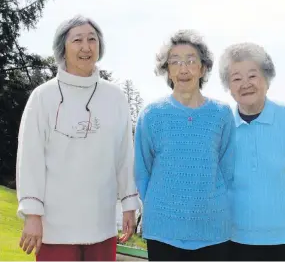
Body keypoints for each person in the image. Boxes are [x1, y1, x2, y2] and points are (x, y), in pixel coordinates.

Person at [16, 15, 141, 261]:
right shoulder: (42, 96)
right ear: (63, 47)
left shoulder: (115, 97)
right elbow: (30, 158)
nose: (86, 47)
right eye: (77, 40)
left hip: (101, 223)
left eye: (92, 40)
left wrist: (129, 205)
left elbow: (125, 154)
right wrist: (32, 215)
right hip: (54, 226)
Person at [218, 42, 285, 261]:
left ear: (267, 79)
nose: (245, 84)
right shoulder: (223, 125)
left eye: (253, 75)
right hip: (238, 240)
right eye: (236, 78)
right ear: (229, 87)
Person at [134, 30, 235, 261]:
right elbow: (142, 170)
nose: (183, 69)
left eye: (191, 61)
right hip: (163, 231)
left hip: (213, 230)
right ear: (167, 70)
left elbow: (228, 169)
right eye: (175, 62)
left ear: (203, 68)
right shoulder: (151, 115)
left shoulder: (221, 114)